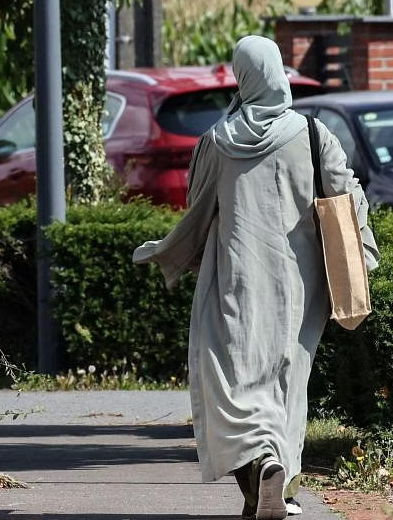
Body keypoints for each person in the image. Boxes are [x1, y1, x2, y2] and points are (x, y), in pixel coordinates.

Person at [132, 35, 379, 520]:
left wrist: (167, 252)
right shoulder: (313, 134)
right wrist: (362, 252)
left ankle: (259, 474)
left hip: (235, 281)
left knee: (231, 382)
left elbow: (197, 212)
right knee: (287, 380)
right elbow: (347, 197)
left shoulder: (217, 142)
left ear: (243, 77)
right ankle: (278, 477)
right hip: (301, 287)